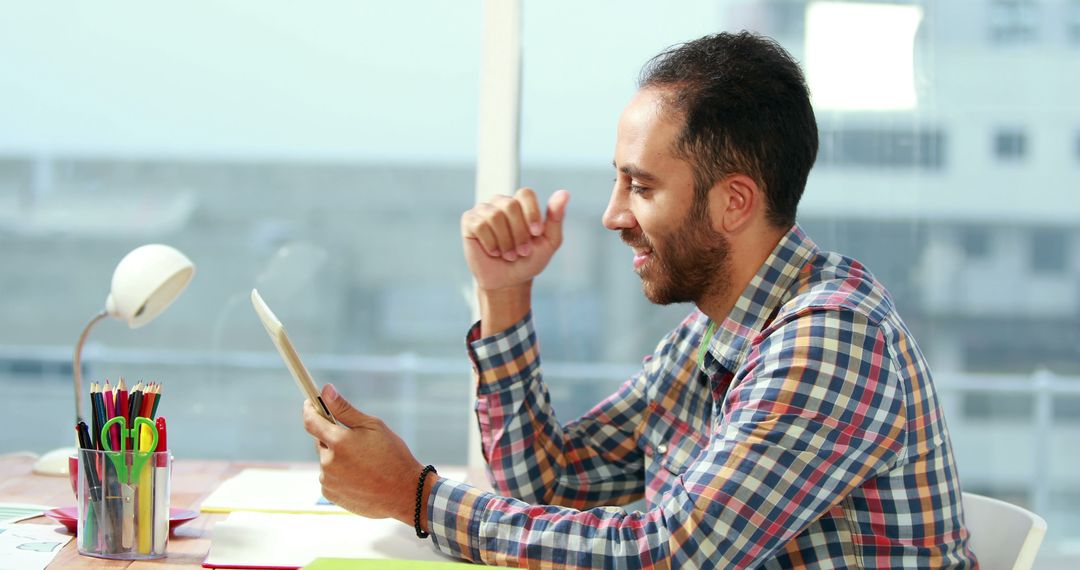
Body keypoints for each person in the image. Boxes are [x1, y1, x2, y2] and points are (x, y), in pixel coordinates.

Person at [303, 31, 978, 568]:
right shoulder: (713, 334)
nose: (613, 214)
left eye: (642, 186)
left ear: (733, 202)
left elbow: (668, 553)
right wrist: (505, 295)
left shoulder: (831, 338)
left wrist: (418, 498)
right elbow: (550, 486)